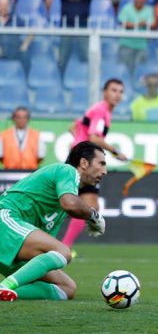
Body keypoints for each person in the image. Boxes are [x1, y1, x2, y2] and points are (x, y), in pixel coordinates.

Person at [0, 141, 107, 301]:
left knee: (67, 288)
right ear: (84, 163)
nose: (105, 171)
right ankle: (7, 285)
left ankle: (6, 293)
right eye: (101, 164)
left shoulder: (65, 194)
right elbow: (71, 204)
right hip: (5, 220)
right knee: (63, 251)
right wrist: (94, 216)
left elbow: (44, 247)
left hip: (14, 240)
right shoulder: (67, 170)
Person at [61, 79, 128, 253]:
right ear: (104, 92)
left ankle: (63, 246)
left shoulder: (100, 110)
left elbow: (74, 127)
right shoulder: (101, 110)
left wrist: (77, 143)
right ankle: (64, 247)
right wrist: (115, 151)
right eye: (113, 90)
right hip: (85, 162)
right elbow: (93, 137)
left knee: (82, 205)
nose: (117, 95)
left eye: (120, 91)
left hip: (81, 159)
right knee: (87, 206)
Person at [117, 0, 154, 77]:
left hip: (142, 46)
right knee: (124, 72)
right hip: (126, 44)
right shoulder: (127, 8)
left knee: (140, 73)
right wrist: (138, 24)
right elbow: (123, 22)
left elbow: (152, 24)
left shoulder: (149, 10)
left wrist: (134, 24)